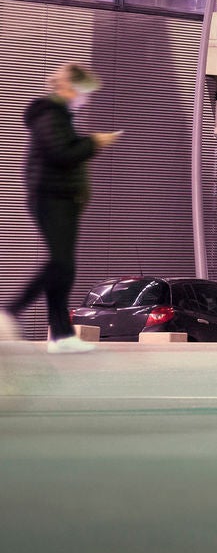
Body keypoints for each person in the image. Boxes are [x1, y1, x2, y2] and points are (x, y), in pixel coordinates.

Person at [1, 64, 120, 353]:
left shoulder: (60, 116)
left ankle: (62, 336)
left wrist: (87, 142)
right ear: (68, 87)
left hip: (63, 199)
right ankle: (11, 310)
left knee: (64, 268)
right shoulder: (49, 113)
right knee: (61, 265)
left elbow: (64, 147)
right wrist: (94, 142)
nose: (86, 99)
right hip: (51, 197)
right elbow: (61, 153)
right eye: (84, 92)